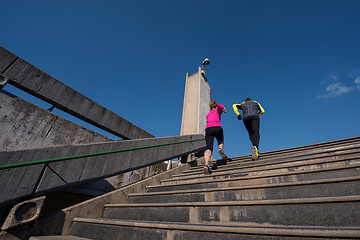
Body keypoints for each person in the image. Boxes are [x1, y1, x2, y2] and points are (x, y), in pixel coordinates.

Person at [204, 100, 227, 175]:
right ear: (215, 106)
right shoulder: (217, 110)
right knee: (220, 140)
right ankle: (220, 148)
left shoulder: (208, 114)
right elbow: (220, 106)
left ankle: (206, 165)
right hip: (217, 127)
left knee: (208, 148)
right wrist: (223, 107)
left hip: (208, 129)